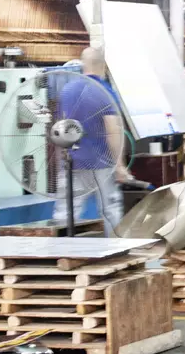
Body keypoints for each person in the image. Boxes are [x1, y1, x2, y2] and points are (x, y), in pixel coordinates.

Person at [52, 47, 130, 231]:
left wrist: (59, 163)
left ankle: (62, 248)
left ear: (83, 65)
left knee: (66, 213)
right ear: (103, 66)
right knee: (110, 210)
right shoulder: (104, 91)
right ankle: (115, 247)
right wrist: (120, 166)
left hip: (72, 163)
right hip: (102, 164)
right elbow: (112, 130)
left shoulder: (67, 91)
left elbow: (58, 129)